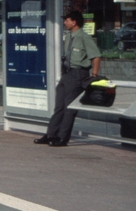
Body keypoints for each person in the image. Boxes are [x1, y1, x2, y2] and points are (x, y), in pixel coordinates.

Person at [34, 10, 101, 147]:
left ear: (74, 22)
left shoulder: (84, 37)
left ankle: (62, 138)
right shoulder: (69, 36)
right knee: (59, 106)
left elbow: (96, 56)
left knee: (69, 108)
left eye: (67, 20)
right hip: (67, 74)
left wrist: (94, 75)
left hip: (78, 74)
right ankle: (51, 134)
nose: (65, 22)